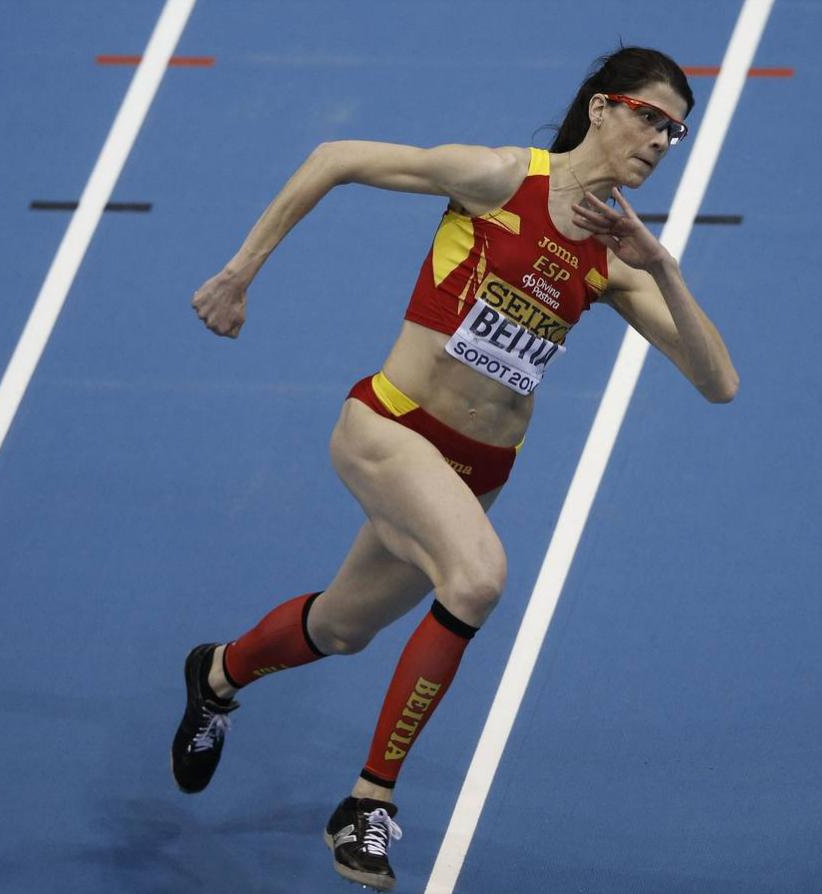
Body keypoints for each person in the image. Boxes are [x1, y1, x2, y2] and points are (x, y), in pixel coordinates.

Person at [172, 45, 738, 891]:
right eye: (650, 117)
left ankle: (217, 675)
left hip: (478, 470)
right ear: (602, 109)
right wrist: (239, 273)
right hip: (389, 428)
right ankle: (367, 803)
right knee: (476, 580)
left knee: (340, 629)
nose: (661, 141)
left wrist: (661, 267)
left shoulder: (618, 260)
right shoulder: (501, 178)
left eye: (676, 132)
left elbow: (717, 382)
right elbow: (335, 158)